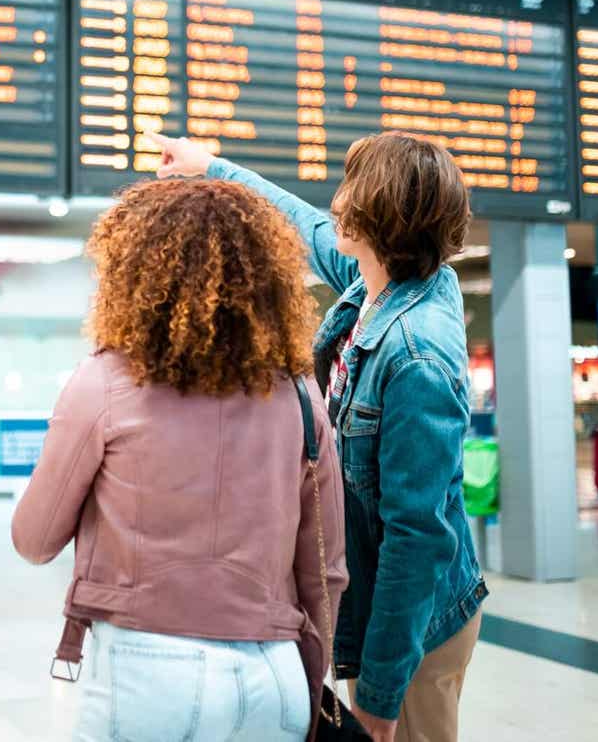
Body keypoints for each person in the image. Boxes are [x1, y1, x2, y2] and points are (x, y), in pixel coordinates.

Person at [150, 131, 488, 742]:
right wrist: (211, 167)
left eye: (350, 190)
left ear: (385, 217)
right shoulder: (380, 281)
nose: (334, 203)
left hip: (416, 631)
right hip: (380, 609)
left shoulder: (418, 359)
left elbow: (417, 538)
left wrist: (381, 698)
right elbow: (303, 225)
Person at [13, 179, 348, 741]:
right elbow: (325, 571)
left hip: (147, 673)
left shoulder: (103, 382)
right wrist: (309, 686)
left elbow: (35, 538)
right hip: (275, 674)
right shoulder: (298, 395)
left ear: (133, 272)